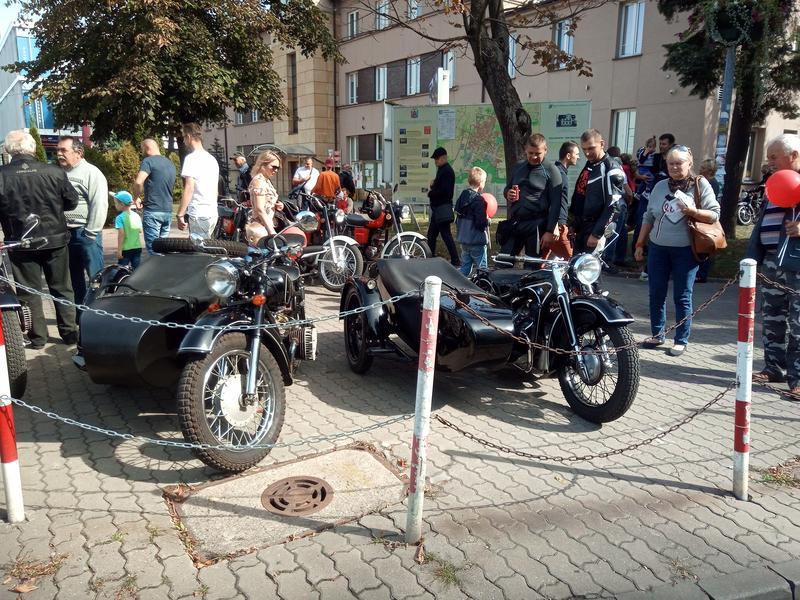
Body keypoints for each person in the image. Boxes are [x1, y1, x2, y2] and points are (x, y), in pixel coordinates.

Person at [633, 145, 720, 357]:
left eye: (678, 163)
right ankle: (657, 334)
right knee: (656, 293)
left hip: (686, 250)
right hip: (658, 248)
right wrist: (640, 244)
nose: (674, 167)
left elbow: (714, 214)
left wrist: (693, 212)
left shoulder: (700, 184)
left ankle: (681, 339)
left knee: (682, 296)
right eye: (670, 163)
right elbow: (648, 216)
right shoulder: (660, 186)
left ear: (689, 163)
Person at [0, 130, 79, 348]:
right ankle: (70, 333)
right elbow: (71, 201)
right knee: (62, 287)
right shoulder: (54, 171)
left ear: (8, 149)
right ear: (33, 148)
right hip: (54, 239)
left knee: (29, 291)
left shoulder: (2, 175)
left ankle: (38, 338)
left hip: (21, 242)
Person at [746, 133, 800, 397]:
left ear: (793, 156)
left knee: (798, 324)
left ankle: (798, 378)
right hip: (770, 262)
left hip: (796, 264)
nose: (769, 162)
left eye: (774, 157)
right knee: (772, 318)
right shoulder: (775, 183)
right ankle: (774, 368)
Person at [57, 136, 108, 304]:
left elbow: (99, 203)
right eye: (57, 150)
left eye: (63, 150)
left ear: (78, 152)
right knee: (74, 280)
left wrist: (91, 233)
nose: (59, 154)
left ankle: (98, 312)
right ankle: (80, 313)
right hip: (65, 235)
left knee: (96, 279)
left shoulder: (92, 173)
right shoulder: (59, 173)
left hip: (85, 233)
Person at [503, 134, 564, 260]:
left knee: (532, 265)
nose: (534, 157)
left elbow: (556, 204)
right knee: (503, 261)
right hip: (516, 222)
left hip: (537, 225)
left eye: (538, 153)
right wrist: (507, 193)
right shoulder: (518, 167)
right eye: (530, 153)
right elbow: (507, 188)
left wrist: (550, 230)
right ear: (525, 150)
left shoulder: (552, 170)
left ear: (545, 150)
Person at [569, 129, 622, 258]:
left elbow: (614, 206)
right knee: (575, 267)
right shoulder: (590, 164)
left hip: (595, 227)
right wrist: (573, 223)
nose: (587, 153)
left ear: (602, 144)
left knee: (590, 268)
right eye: (584, 149)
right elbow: (580, 196)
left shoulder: (611, 168)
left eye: (591, 148)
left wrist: (597, 233)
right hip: (581, 227)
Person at [132, 138, 176, 255]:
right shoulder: (170, 163)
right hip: (167, 211)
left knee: (154, 251)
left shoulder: (148, 161)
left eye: (142, 150)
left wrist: (135, 198)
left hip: (153, 211)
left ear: (147, 148)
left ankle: (156, 267)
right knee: (163, 249)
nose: (142, 153)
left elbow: (138, 182)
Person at [176, 122, 219, 238]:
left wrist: (180, 214)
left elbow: (189, 188)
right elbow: (215, 191)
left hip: (198, 212)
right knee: (207, 246)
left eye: (184, 137)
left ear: (189, 136)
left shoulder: (191, 158)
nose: (183, 140)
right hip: (212, 212)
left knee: (198, 248)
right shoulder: (212, 159)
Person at [427, 147, 460, 266]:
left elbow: (446, 192)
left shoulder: (447, 171)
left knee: (446, 235)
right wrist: (434, 185)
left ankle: (455, 260)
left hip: (442, 208)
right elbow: (440, 186)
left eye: (437, 159)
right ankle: (429, 257)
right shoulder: (442, 170)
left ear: (443, 158)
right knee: (432, 235)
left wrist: (431, 192)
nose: (435, 161)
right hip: (438, 209)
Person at [455, 167, 489, 276]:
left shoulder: (462, 196)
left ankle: (458, 282)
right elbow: (480, 223)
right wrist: (487, 221)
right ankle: (483, 284)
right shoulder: (479, 200)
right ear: (481, 183)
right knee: (482, 268)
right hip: (476, 241)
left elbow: (458, 216)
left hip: (464, 240)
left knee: (465, 267)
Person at [604, 146, 634, 268]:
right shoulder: (618, 168)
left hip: (609, 205)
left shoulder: (604, 166)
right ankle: (609, 260)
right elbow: (628, 191)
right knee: (616, 233)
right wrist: (630, 201)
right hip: (619, 205)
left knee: (620, 233)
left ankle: (618, 258)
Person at [244, 150, 281, 245]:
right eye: (273, 167)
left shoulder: (266, 180)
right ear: (263, 165)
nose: (276, 170)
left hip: (266, 225)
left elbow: (265, 203)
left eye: (278, 168)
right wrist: (271, 231)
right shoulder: (258, 181)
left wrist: (276, 205)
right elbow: (259, 209)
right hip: (260, 228)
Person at [695, 158, 720, 283]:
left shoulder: (711, 184)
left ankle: (702, 274)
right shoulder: (703, 181)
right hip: (701, 217)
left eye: (703, 168)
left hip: (706, 220)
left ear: (710, 171)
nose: (700, 170)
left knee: (704, 247)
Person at [112, 191, 143, 270]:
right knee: (136, 270)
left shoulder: (120, 218)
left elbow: (121, 234)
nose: (115, 205)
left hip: (125, 249)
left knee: (121, 269)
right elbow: (140, 230)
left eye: (116, 203)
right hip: (137, 247)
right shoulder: (137, 215)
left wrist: (119, 250)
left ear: (122, 204)